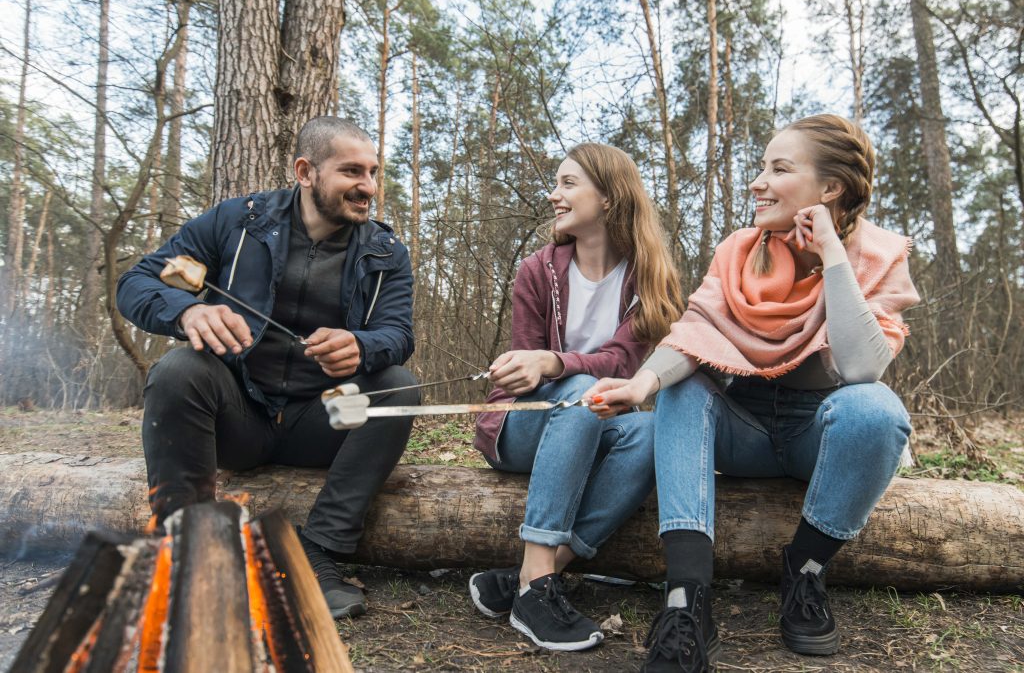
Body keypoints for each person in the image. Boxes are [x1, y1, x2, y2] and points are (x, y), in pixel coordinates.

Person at [585, 114, 920, 671]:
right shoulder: (740, 250)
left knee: (877, 412)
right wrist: (642, 382)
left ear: (830, 189)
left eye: (779, 169)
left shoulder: (879, 256)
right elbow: (696, 330)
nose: (757, 182)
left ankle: (806, 572)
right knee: (684, 388)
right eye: (761, 167)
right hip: (744, 431)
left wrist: (834, 256)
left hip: (821, 433)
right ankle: (686, 602)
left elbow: (862, 367)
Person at [117, 116, 418, 619]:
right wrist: (188, 311)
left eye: (373, 172)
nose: (368, 186)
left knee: (396, 387)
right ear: (305, 171)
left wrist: (362, 347)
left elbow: (398, 335)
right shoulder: (236, 221)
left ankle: (318, 552)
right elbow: (138, 283)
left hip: (320, 423)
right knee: (177, 370)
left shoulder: (386, 252)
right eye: (351, 172)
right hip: (237, 416)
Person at [468, 143, 686, 651]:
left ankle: (531, 578)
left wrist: (558, 360)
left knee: (654, 429)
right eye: (556, 183)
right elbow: (532, 376)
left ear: (609, 197)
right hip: (522, 427)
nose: (554, 195)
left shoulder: (648, 279)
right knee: (581, 392)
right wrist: (534, 367)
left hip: (600, 422)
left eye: (568, 184)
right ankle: (537, 585)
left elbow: (624, 366)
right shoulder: (536, 271)